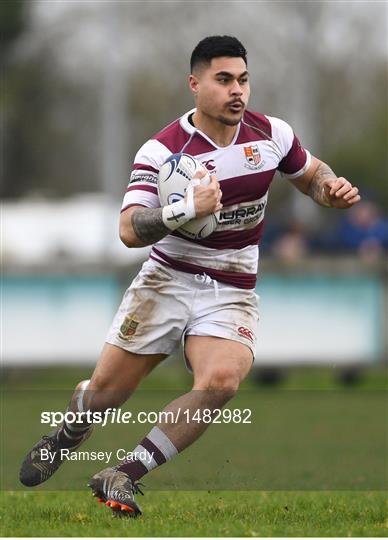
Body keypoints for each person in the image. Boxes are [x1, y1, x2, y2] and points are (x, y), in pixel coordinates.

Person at [19, 35, 361, 517]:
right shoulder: (162, 151)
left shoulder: (271, 134)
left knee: (221, 381)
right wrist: (183, 209)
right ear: (195, 84)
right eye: (223, 80)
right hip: (167, 279)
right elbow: (128, 230)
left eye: (243, 79)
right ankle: (72, 431)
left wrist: (330, 187)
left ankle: (123, 473)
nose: (236, 91)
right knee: (104, 396)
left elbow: (311, 175)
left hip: (232, 285)